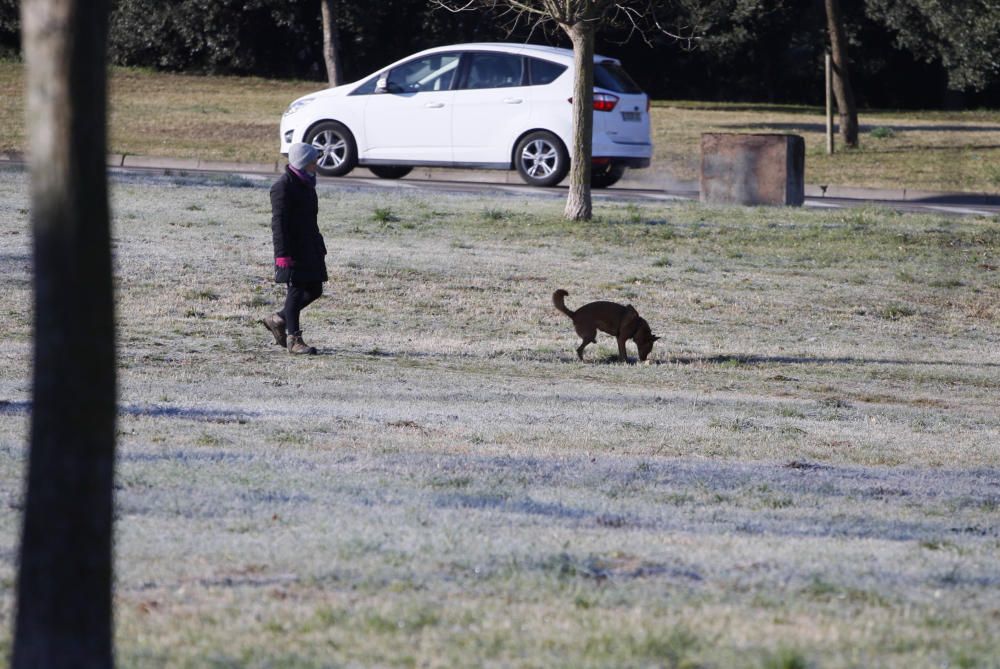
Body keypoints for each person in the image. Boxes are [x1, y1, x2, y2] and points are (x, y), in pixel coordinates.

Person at [261, 143, 328, 354]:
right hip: (293, 250)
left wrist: (319, 245)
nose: (316, 165)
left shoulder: (307, 184)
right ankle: (294, 341)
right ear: (303, 162)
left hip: (310, 247)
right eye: (313, 161)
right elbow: (278, 224)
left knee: (315, 289)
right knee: (296, 292)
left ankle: (279, 318)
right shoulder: (283, 186)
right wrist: (282, 255)